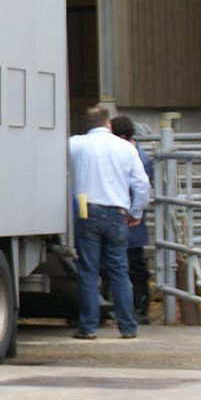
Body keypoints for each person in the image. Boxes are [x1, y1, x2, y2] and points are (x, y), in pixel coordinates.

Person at [68, 106, 150, 339]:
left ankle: (88, 327)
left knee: (88, 271)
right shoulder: (125, 147)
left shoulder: (76, 144)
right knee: (119, 271)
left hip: (87, 210)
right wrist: (136, 212)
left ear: (87, 124)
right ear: (108, 124)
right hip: (117, 212)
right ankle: (127, 326)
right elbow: (142, 185)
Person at [110, 115, 155, 324]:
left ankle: (140, 308)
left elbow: (141, 187)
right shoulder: (136, 154)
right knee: (125, 263)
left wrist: (135, 213)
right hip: (127, 216)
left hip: (129, 217)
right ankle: (134, 307)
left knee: (133, 264)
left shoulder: (137, 157)